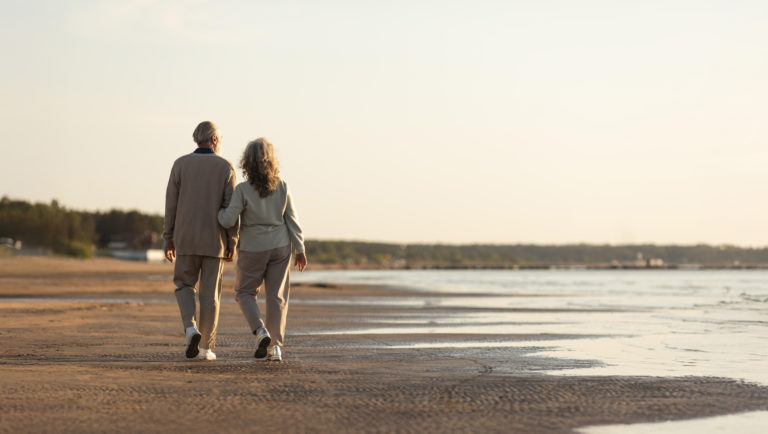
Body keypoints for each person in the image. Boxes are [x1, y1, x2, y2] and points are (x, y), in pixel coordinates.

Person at [218, 137, 307, 362]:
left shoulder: (243, 190)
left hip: (253, 248)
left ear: (247, 162)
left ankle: (260, 332)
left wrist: (218, 211)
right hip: (280, 246)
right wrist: (300, 249)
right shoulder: (283, 186)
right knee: (276, 297)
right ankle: (275, 348)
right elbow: (292, 220)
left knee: (244, 292)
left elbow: (228, 220)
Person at [163, 121, 238, 361]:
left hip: (185, 238)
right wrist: (232, 241)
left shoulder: (180, 164)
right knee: (210, 295)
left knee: (184, 286)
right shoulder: (226, 167)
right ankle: (205, 348)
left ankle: (190, 328)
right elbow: (231, 209)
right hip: (214, 241)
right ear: (215, 139)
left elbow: (171, 205)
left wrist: (168, 238)